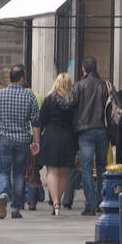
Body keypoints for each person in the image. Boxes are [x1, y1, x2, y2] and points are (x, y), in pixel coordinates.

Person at [0, 64, 41, 220]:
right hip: (23, 140)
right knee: (19, 174)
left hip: (4, 138)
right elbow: (36, 122)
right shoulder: (29, 96)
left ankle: (4, 193)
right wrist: (36, 141)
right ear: (22, 79)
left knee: (3, 171)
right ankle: (15, 208)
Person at [70, 58, 111, 217]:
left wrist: (54, 97)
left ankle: (90, 205)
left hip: (85, 130)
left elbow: (68, 103)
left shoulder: (79, 85)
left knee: (86, 168)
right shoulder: (105, 85)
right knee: (102, 167)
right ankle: (102, 202)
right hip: (102, 130)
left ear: (83, 69)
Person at [38, 73, 77, 218]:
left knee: (52, 172)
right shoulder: (73, 101)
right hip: (68, 137)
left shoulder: (50, 100)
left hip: (52, 137)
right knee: (63, 173)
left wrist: (37, 139)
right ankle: (58, 201)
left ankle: (54, 203)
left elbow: (41, 119)